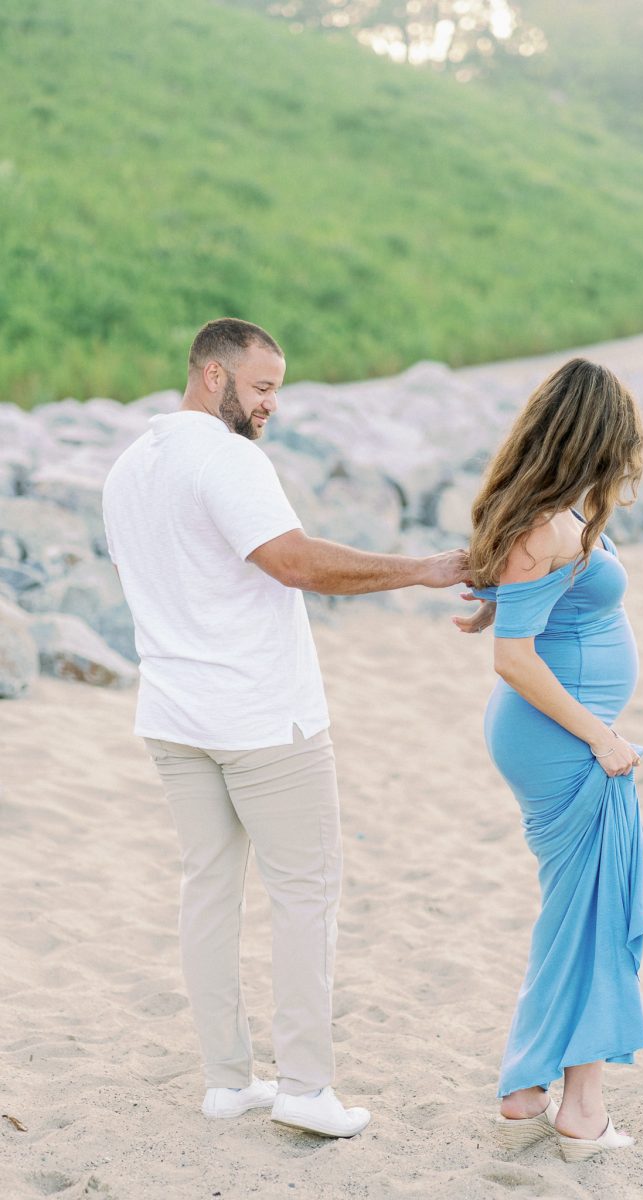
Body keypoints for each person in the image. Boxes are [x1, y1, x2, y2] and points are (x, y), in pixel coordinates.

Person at [102, 317, 468, 1139]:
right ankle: (304, 1086)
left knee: (209, 890)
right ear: (212, 376)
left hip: (173, 713)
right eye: (262, 386)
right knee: (305, 895)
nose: (274, 404)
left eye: (278, 387)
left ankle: (228, 1081)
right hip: (262, 717)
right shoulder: (227, 459)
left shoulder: (128, 466)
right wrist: (424, 569)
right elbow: (295, 562)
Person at [454, 358, 643, 1163]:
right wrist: (602, 737)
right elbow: (514, 659)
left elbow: (524, 611)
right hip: (563, 735)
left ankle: (526, 1088)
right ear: (600, 437)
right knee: (595, 914)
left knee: (576, 911)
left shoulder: (552, 513)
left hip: (554, 731)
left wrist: (498, 607)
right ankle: (581, 1111)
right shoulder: (551, 521)